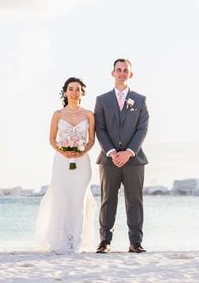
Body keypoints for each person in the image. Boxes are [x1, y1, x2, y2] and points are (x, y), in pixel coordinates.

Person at [35, 77, 96, 253]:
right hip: (61, 162)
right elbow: (51, 139)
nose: (74, 92)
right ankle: (61, 239)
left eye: (78, 89)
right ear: (65, 92)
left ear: (82, 92)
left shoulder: (89, 115)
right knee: (61, 198)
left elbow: (91, 139)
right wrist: (63, 151)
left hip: (82, 162)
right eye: (71, 89)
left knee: (79, 200)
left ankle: (77, 240)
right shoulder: (58, 114)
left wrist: (82, 151)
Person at [94, 59, 149, 254]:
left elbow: (142, 129)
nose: (122, 73)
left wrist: (128, 152)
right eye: (119, 70)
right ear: (113, 73)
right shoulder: (102, 100)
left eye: (126, 70)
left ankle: (135, 242)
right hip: (108, 160)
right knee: (108, 201)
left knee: (134, 201)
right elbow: (99, 128)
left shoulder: (140, 100)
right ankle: (105, 241)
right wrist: (111, 152)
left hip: (134, 160)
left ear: (130, 75)